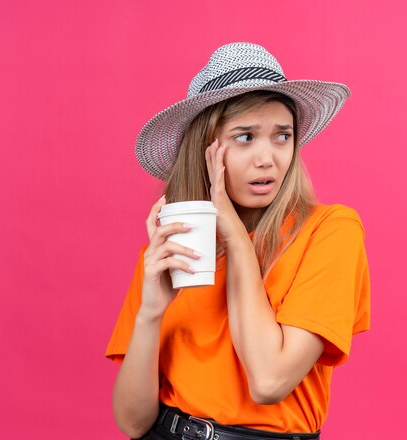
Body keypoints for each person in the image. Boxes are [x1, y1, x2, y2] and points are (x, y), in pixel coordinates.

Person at [105, 42, 370, 440]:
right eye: (245, 137)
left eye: (282, 136)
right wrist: (150, 313)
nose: (267, 158)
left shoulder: (329, 231)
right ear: (205, 148)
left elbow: (269, 381)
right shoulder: (172, 248)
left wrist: (235, 236)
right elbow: (132, 422)